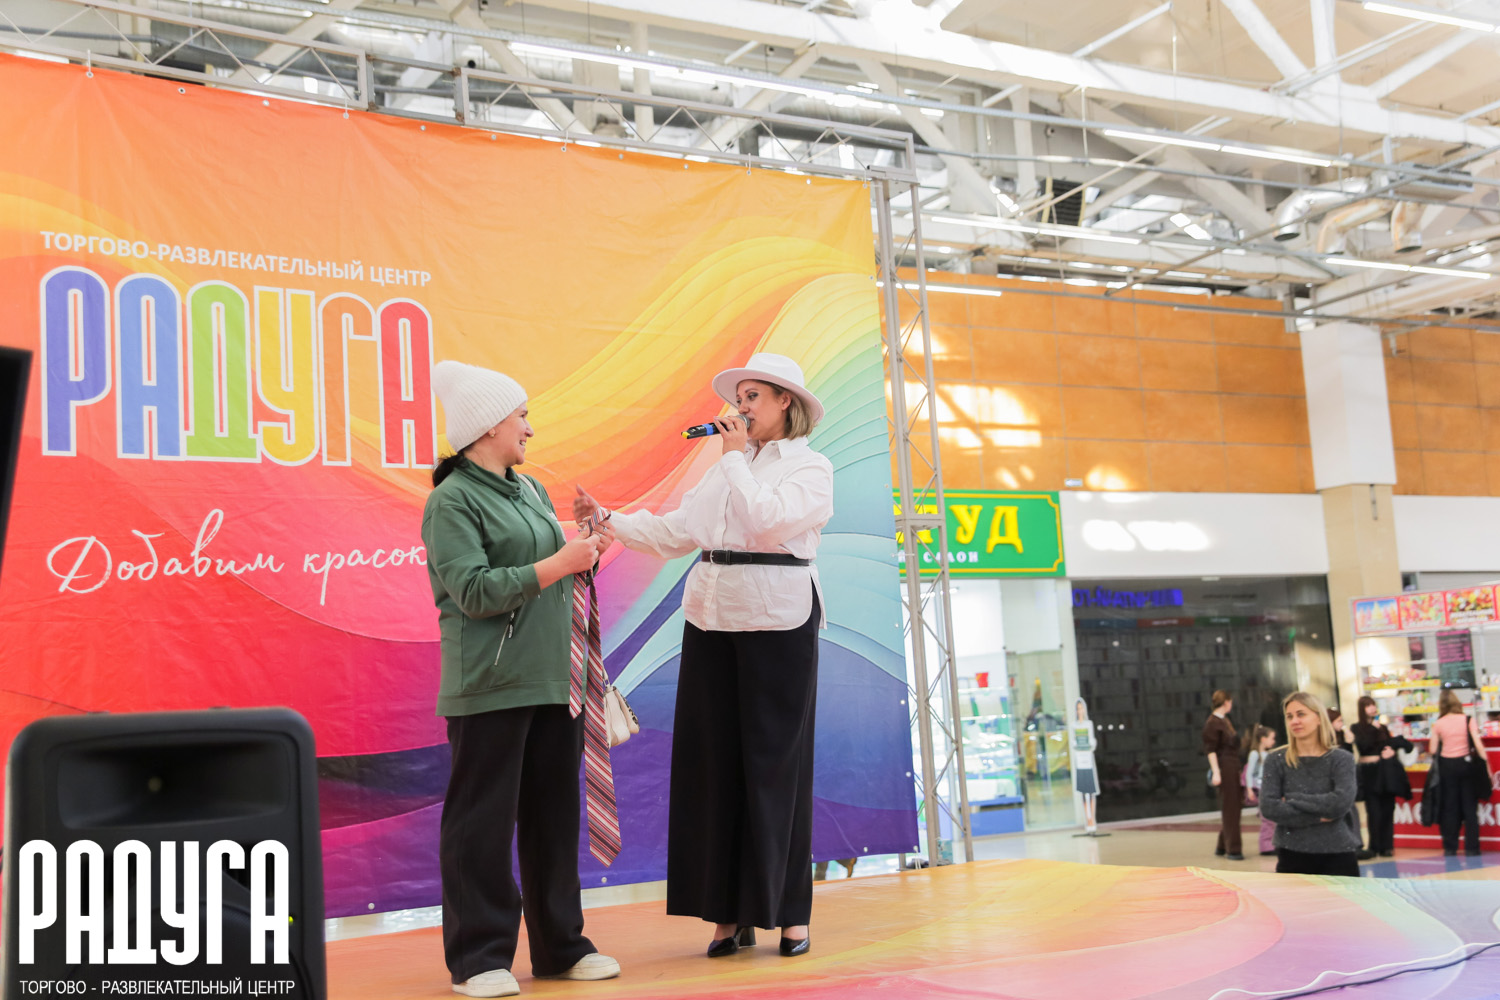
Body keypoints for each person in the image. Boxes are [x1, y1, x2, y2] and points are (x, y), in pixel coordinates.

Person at [573, 352, 833, 959]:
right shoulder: (724, 467)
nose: (740, 408)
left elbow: (767, 523)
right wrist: (608, 520)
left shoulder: (810, 467)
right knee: (712, 767)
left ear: (784, 401)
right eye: (738, 398)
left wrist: (735, 459)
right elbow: (674, 534)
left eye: (752, 397)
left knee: (773, 768)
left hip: (778, 621)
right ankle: (727, 915)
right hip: (711, 619)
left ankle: (790, 913)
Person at [423, 360, 620, 998]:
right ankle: (478, 958)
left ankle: (561, 947)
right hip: (489, 684)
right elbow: (473, 591)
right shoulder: (451, 500)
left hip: (552, 680)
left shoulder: (530, 490)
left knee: (552, 820)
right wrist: (560, 561)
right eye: (522, 416)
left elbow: (551, 571)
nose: (530, 429)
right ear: (487, 426)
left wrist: (586, 546)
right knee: (481, 823)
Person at [1259, 692, 1361, 876]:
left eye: (1301, 714)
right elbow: (1269, 807)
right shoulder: (1275, 760)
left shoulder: (1341, 759)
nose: (1295, 721)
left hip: (1338, 854)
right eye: (1289, 716)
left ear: (1319, 718)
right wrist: (1317, 817)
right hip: (1291, 853)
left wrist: (1292, 800)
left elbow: (1340, 803)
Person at [1351, 695, 1412, 860]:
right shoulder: (1357, 727)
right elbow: (1364, 745)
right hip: (1369, 773)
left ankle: (1387, 846)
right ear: (1362, 709)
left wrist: (1391, 750)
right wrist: (1373, 728)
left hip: (1385, 771)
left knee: (1388, 808)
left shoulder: (1382, 727)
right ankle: (1374, 846)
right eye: (1368, 706)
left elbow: (1388, 744)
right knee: (1374, 810)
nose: (1372, 708)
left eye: (1373, 705)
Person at [1428, 689, 1487, 857]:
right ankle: (1472, 848)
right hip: (1466, 765)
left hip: (1447, 767)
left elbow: (1432, 749)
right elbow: (1478, 745)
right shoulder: (1468, 719)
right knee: (1470, 807)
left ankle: (1450, 847)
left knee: (1450, 807)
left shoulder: (1439, 723)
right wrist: (1487, 766)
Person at [1202, 691, 1244, 860]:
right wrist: (1216, 772)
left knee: (1233, 805)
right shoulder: (1213, 723)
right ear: (1226, 702)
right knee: (1231, 806)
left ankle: (1223, 844)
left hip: (1231, 765)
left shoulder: (1223, 720)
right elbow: (1210, 750)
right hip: (1225, 766)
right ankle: (1233, 848)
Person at [1243, 725, 1277, 856]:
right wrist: (1249, 789)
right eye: (1271, 738)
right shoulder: (1255, 754)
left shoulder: (1267, 754)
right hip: (1260, 788)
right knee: (1266, 818)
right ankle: (1265, 846)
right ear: (1263, 739)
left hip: (1267, 788)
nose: (1273, 741)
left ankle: (1270, 844)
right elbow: (1249, 772)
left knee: (1270, 818)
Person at [1071, 699, 1100, 834]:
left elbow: (1092, 740)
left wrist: (1090, 744)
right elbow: (1073, 742)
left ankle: (1092, 819)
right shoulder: (1074, 725)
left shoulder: (1089, 724)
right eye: (1078, 708)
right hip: (1080, 760)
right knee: (1083, 790)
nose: (1080, 711)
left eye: (1081, 708)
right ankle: (1087, 819)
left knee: (1091, 790)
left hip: (1088, 759)